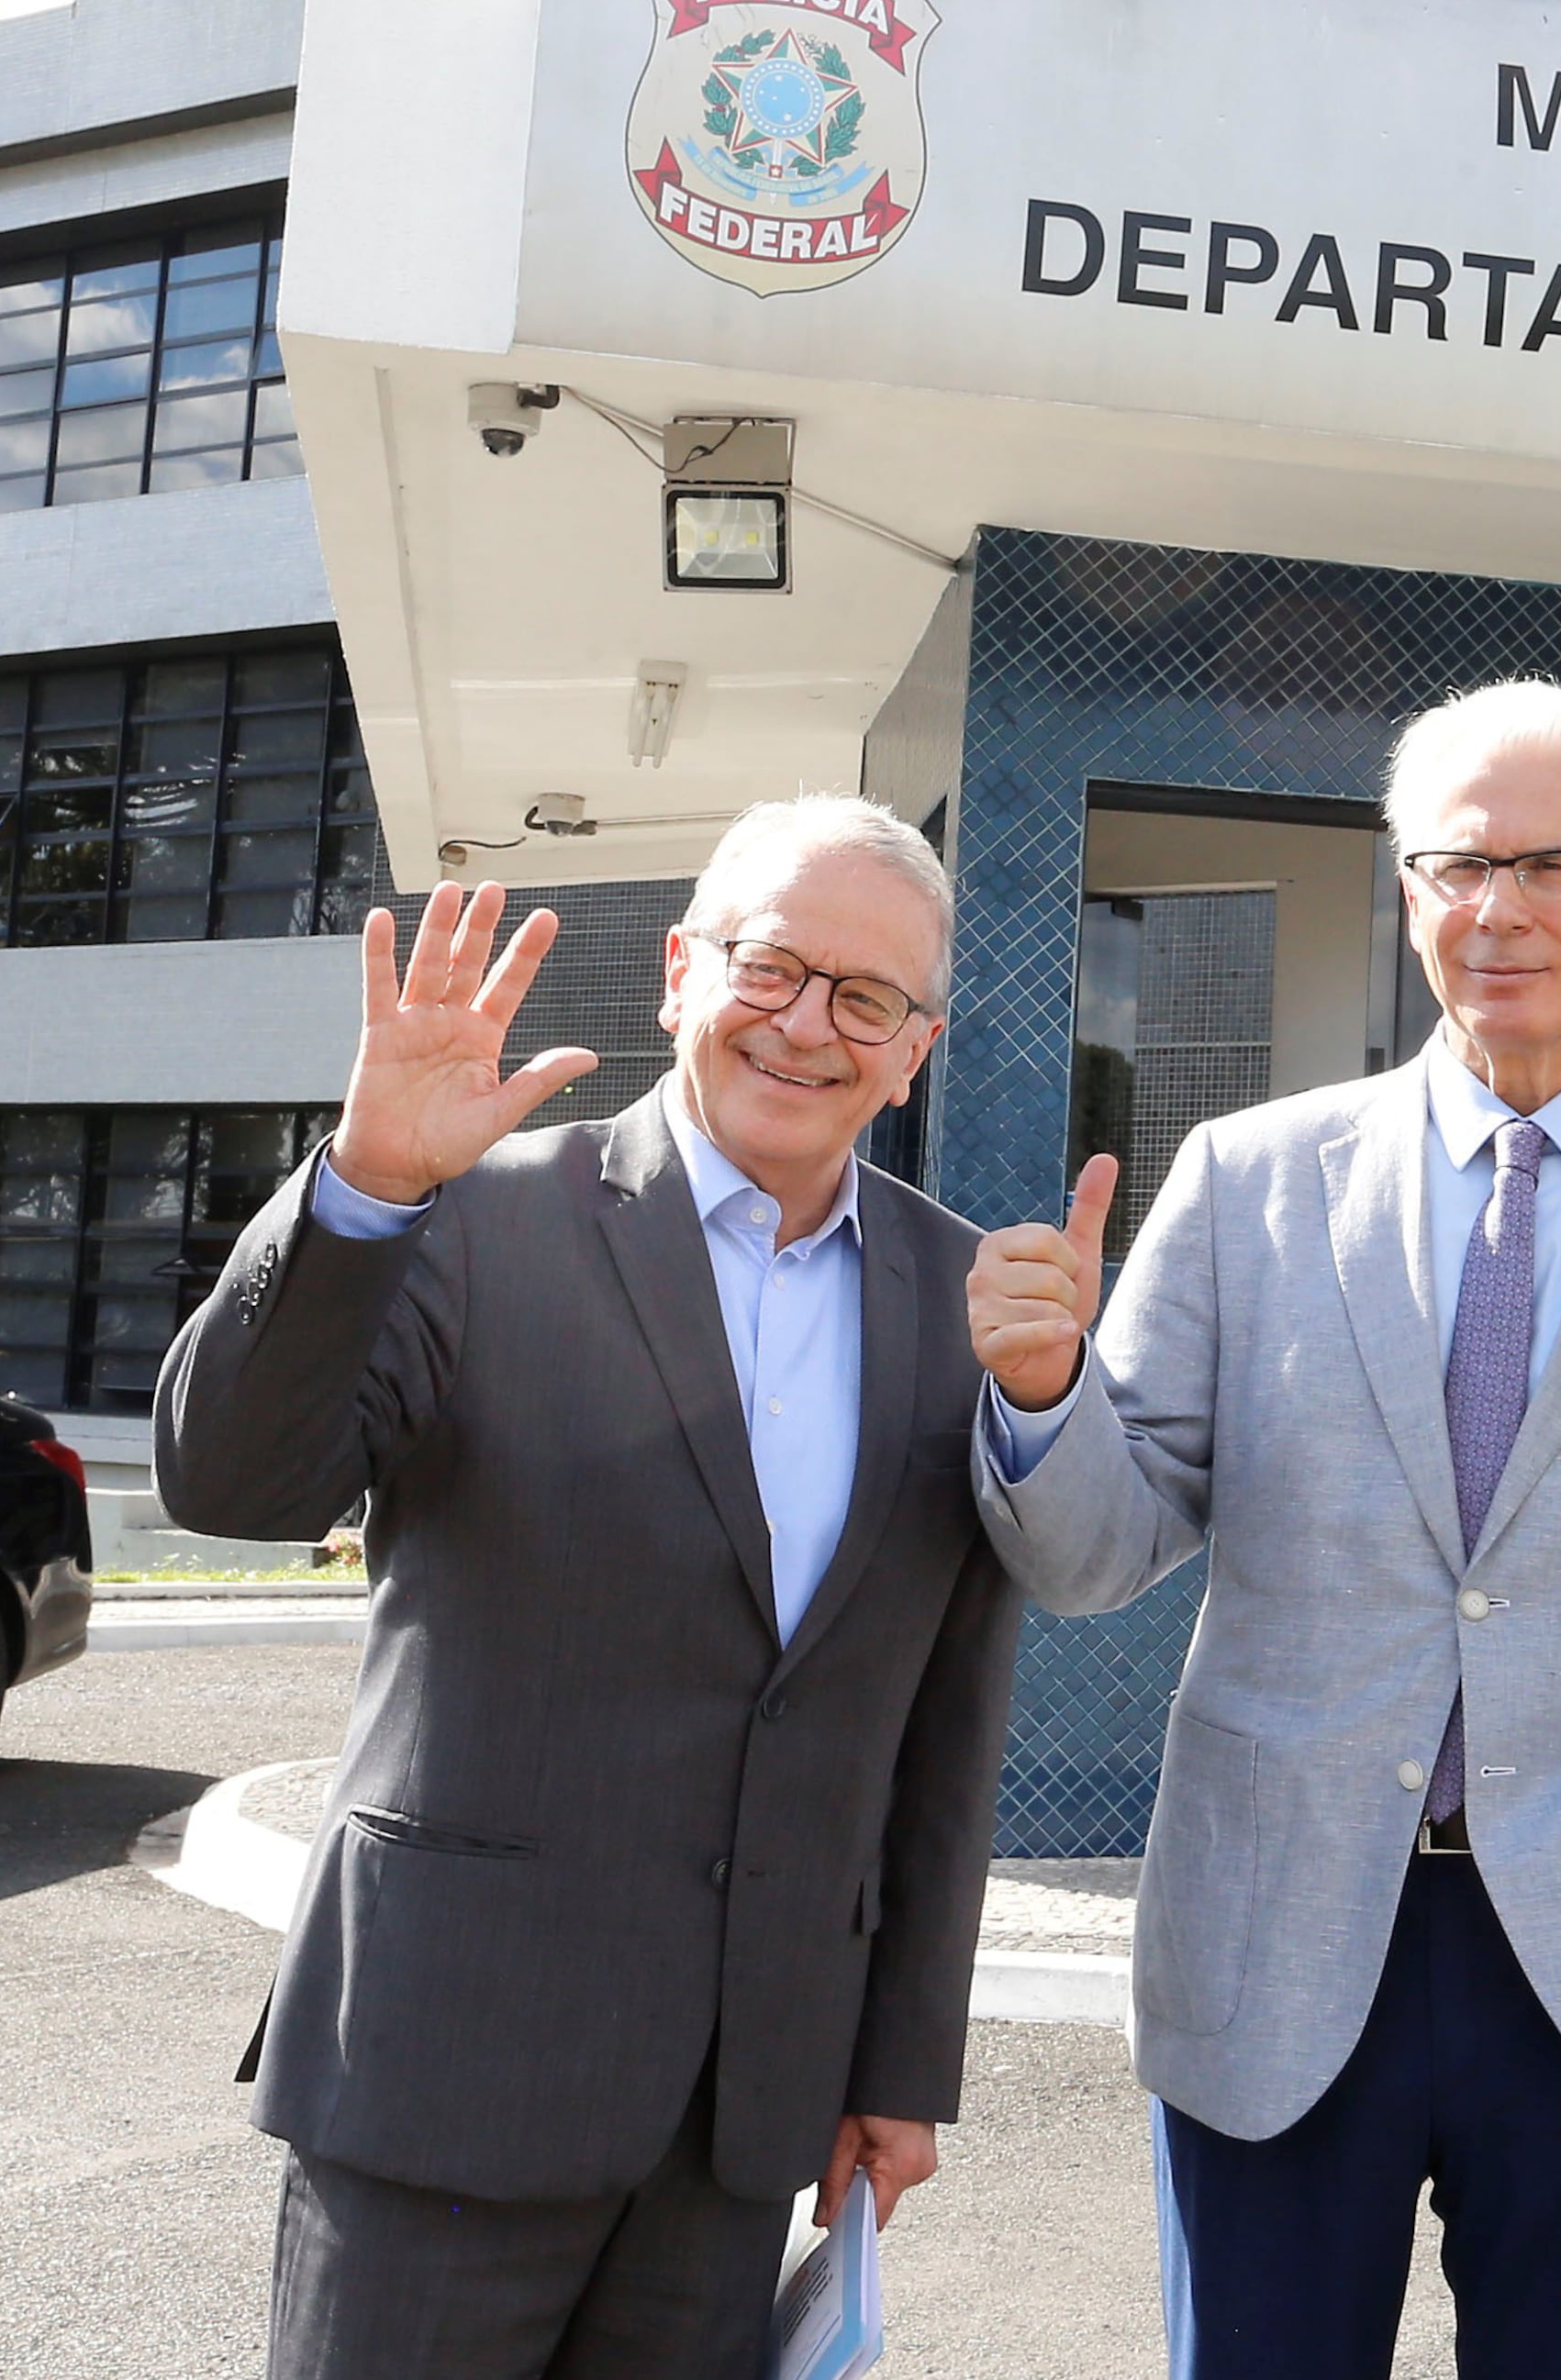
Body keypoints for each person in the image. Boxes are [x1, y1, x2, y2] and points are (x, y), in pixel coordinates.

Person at [964, 681, 1561, 2380]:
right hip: (1285, 1944)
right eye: (1457, 865)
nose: (1499, 909)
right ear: (1408, 895)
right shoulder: (1249, 1177)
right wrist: (1047, 1401)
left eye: (1556, 864)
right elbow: (1097, 1553)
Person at [156, 801, 1020, 2380]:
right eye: (772, 967)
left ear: (915, 1049)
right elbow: (235, 1485)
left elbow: (940, 1723)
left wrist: (900, 2061)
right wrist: (361, 1192)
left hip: (737, 2121)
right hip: (444, 2074)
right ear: (681, 973)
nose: (810, 1024)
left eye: (868, 999)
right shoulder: (470, 1215)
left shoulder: (962, 1307)